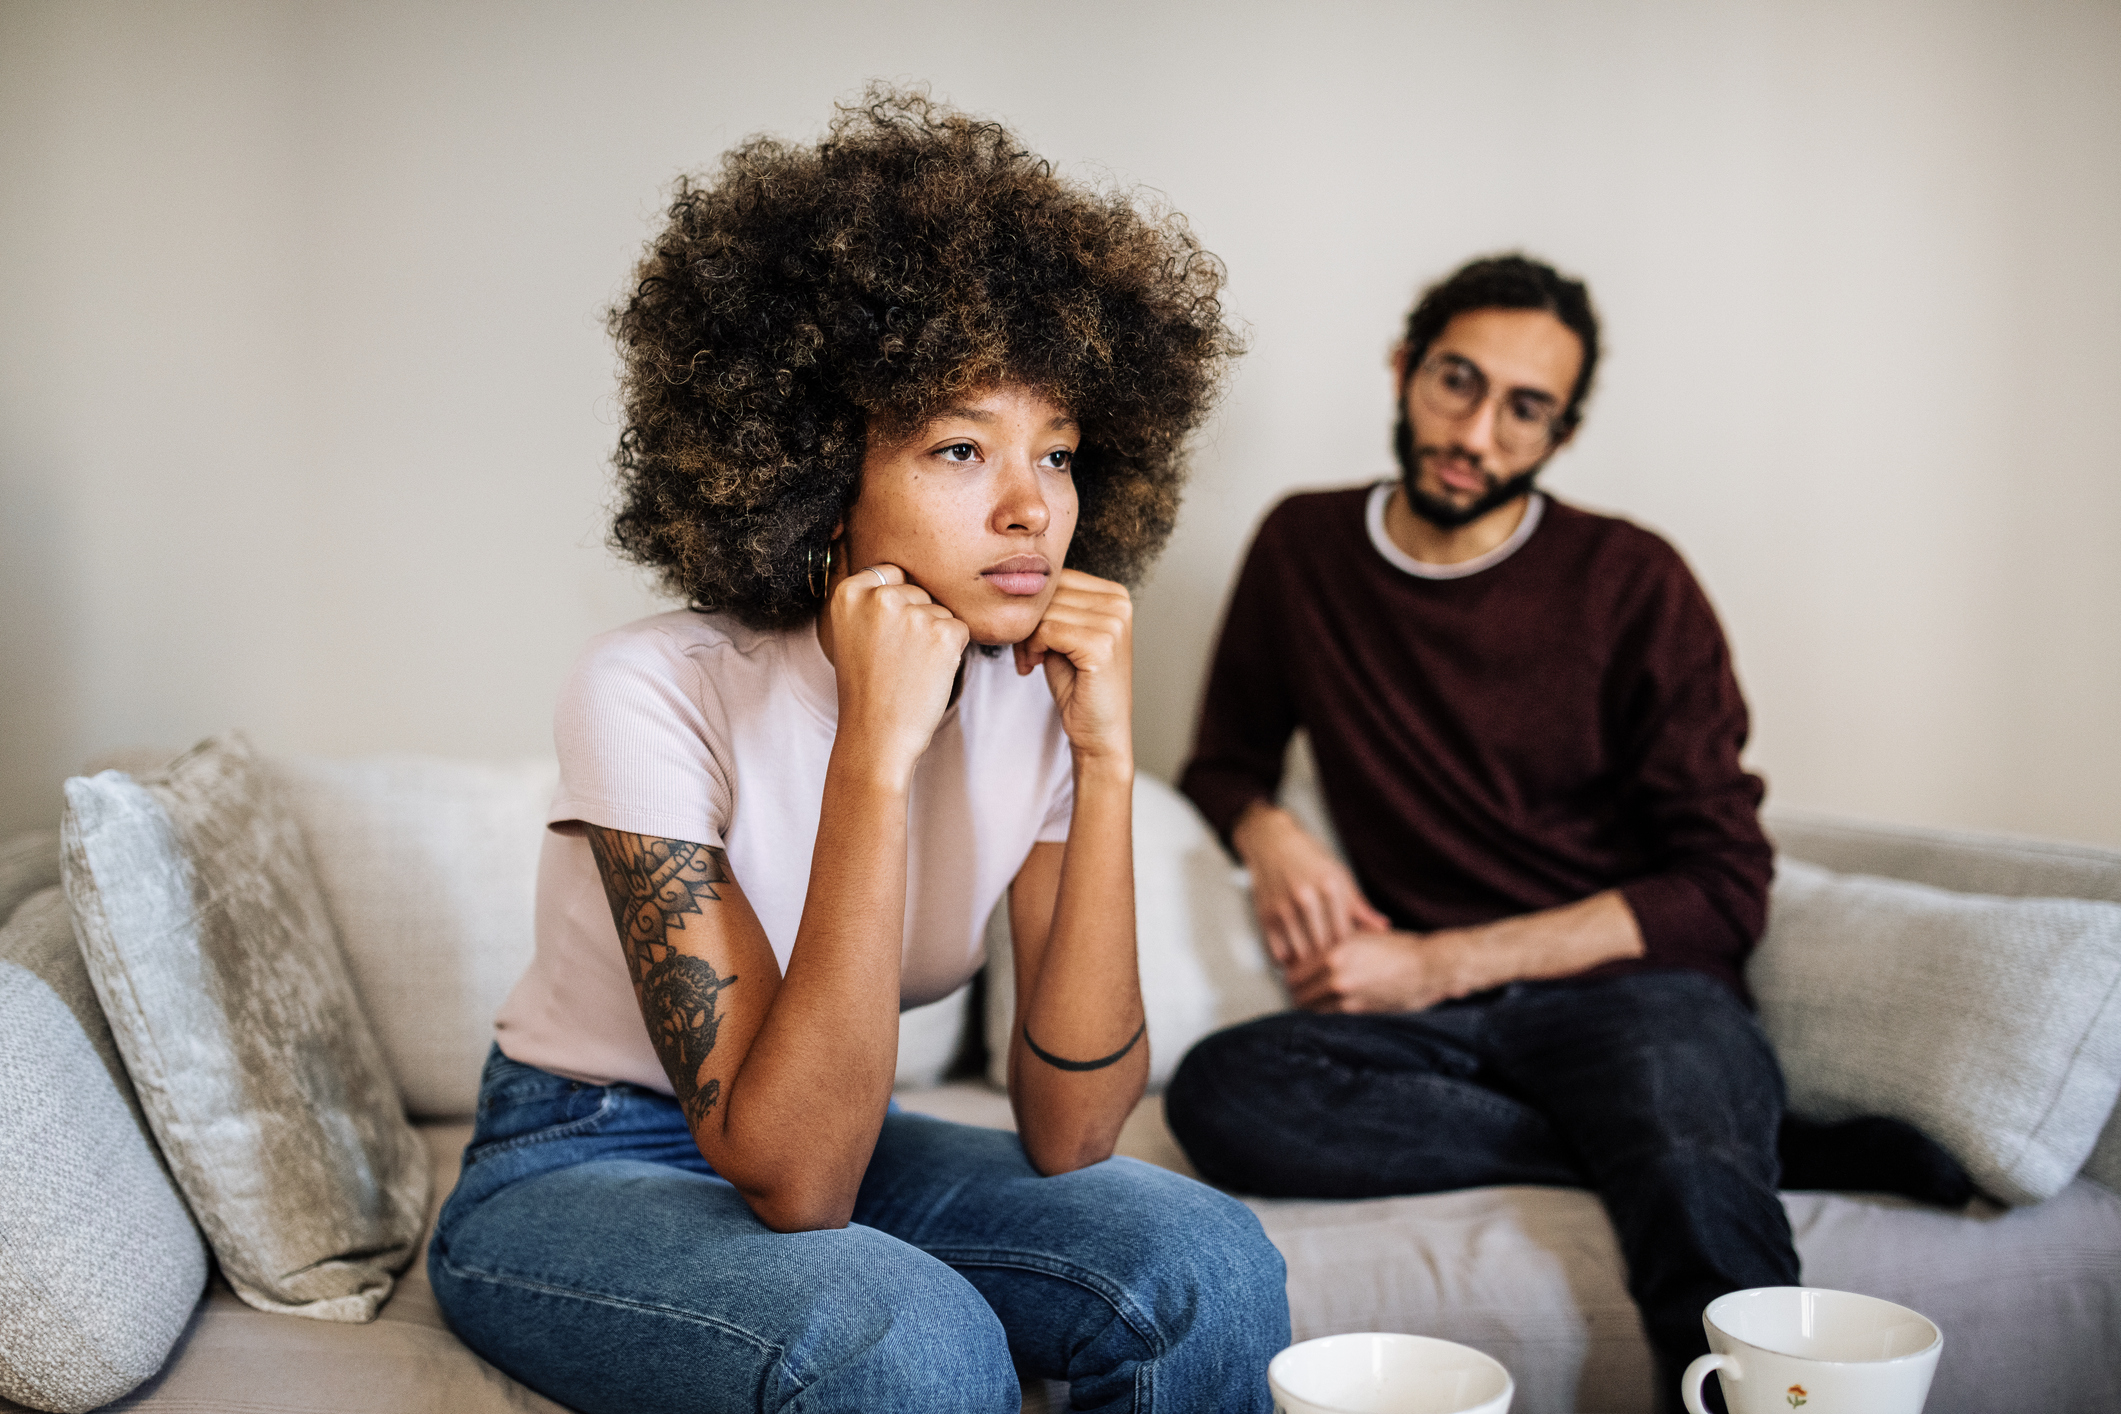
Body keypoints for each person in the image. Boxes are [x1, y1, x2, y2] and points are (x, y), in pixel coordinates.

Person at [427, 90, 1289, 1414]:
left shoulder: (1030, 697)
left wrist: (1106, 759)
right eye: (958, 446)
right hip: (581, 1158)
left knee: (1206, 1263)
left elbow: (1072, 1134)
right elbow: (801, 1178)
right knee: (901, 1337)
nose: (1031, 508)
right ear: (824, 472)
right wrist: (874, 752)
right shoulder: (649, 687)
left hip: (838, 1118)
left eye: (1056, 453)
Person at [1163, 254, 1968, 1409]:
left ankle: (1697, 1141)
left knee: (1695, 1196)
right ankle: (1740, 1139)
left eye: (1524, 408)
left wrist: (1436, 960)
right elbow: (1223, 757)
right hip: (1441, 1031)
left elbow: (1726, 884)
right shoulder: (1304, 549)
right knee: (1226, 1094)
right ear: (1402, 369)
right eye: (1456, 381)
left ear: (1560, 434)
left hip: (1633, 996)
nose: (1476, 431)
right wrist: (1272, 828)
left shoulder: (1633, 580)